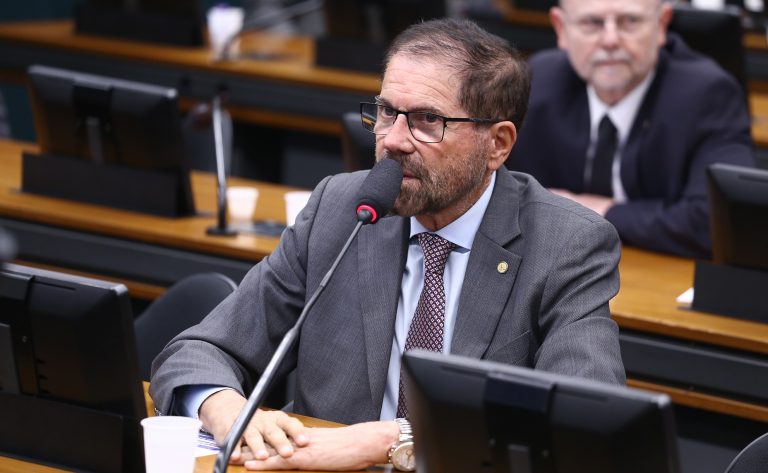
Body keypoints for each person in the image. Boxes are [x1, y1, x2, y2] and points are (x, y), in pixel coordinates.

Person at [150, 18, 625, 471]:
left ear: (498, 144)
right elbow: (196, 351)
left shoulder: (566, 244)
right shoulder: (342, 209)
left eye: (427, 120)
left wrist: (391, 441)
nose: (393, 140)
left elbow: (582, 424)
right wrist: (226, 408)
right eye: (386, 112)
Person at [508, 0, 755, 259]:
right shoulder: (537, 83)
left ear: (662, 25)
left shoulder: (708, 95)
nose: (610, 40)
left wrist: (599, 211)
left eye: (630, 21)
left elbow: (717, 222)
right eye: (592, 23)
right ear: (561, 28)